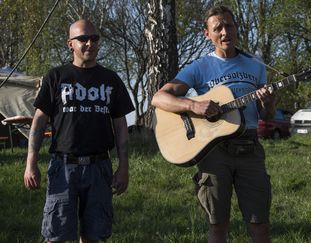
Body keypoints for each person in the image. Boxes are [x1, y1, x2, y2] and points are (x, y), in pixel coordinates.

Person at [151, 5, 275, 243]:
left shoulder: (256, 66)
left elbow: (266, 116)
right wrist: (193, 106)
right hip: (214, 153)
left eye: (229, 25)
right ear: (207, 34)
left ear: (236, 28)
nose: (225, 32)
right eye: (218, 28)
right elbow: (159, 98)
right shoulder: (199, 67)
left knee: (260, 225)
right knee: (218, 226)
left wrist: (269, 103)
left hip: (250, 150)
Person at [23, 19, 135, 243]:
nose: (89, 43)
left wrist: (124, 167)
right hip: (63, 167)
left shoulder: (111, 79)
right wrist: (30, 163)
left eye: (94, 38)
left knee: (93, 236)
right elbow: (38, 122)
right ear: (70, 44)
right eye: (82, 38)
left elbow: (121, 126)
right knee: (56, 236)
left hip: (99, 167)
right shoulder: (56, 77)